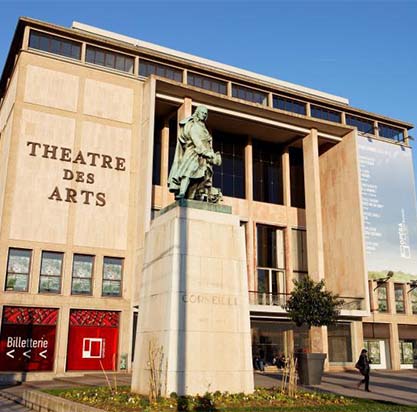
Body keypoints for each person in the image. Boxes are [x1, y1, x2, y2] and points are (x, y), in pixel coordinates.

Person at [168, 105, 222, 202]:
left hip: (204, 157)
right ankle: (182, 193)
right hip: (193, 153)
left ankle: (191, 198)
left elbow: (208, 143)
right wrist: (206, 152)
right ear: (197, 113)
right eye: (202, 112)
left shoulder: (204, 128)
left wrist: (212, 154)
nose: (204, 115)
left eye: (206, 114)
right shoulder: (192, 125)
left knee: (199, 178)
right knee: (187, 173)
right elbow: (196, 140)